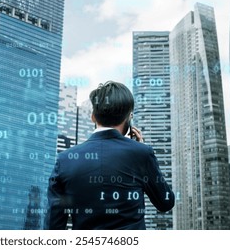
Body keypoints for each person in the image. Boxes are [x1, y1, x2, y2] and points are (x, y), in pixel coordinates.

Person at [45, 81, 174, 230]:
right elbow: (165, 203)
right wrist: (142, 149)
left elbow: (53, 226)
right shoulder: (142, 154)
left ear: (93, 117)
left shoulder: (64, 160)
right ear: (128, 118)